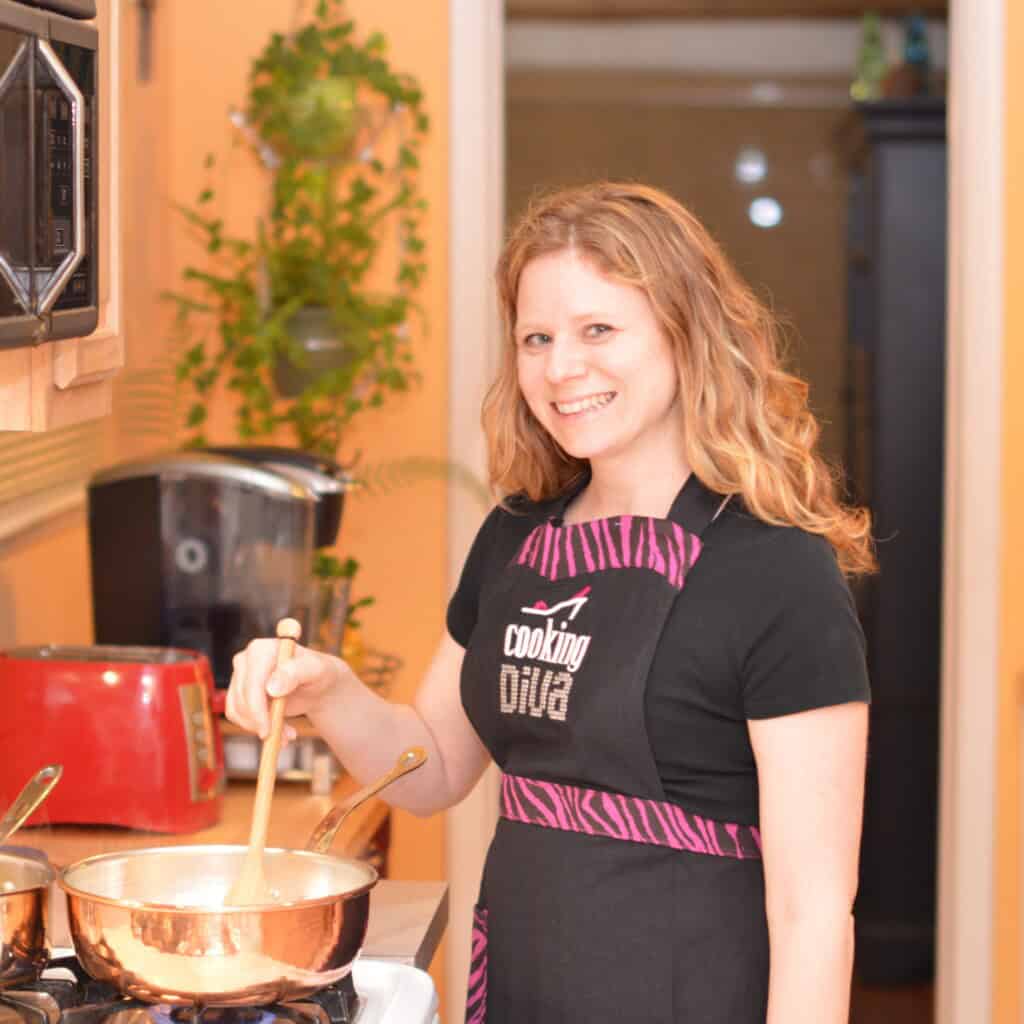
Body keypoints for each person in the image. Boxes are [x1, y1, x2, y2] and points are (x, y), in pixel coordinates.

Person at [226, 181, 873, 1024]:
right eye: (537, 337)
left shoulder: (778, 573)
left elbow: (814, 912)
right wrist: (326, 690)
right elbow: (433, 770)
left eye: (598, 329)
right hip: (525, 987)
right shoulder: (516, 538)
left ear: (689, 335)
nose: (561, 368)